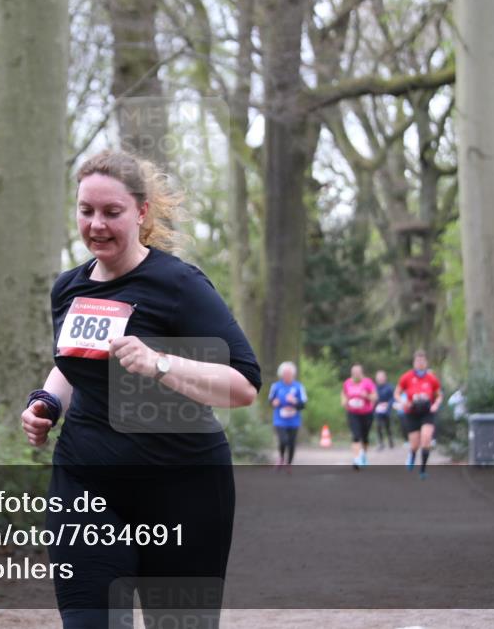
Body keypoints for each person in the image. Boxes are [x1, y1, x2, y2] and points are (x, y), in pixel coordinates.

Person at [20, 149, 262, 628]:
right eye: (86, 211)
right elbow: (71, 364)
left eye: (112, 212)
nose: (97, 225)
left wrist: (160, 363)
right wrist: (46, 402)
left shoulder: (178, 285)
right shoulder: (68, 288)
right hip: (87, 482)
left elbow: (244, 385)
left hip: (182, 487)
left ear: (141, 212)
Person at [395, 350, 443, 480]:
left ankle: (422, 469)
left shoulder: (431, 378)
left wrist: (436, 405)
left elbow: (439, 395)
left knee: (426, 438)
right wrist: (403, 402)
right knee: (415, 444)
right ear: (414, 363)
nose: (420, 364)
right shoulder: (407, 377)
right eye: (418, 361)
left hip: (427, 413)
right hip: (412, 412)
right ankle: (412, 454)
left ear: (426, 362)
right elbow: (397, 393)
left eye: (422, 361)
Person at [268, 361, 307, 471]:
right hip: (280, 419)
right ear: (281, 374)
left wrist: (295, 401)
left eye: (289, 374)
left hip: (294, 419)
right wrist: (274, 403)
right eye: (285, 374)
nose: (287, 376)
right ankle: (281, 457)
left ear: (293, 375)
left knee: (292, 442)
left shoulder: (299, 387)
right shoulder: (276, 386)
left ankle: (289, 463)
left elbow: (303, 404)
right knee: (283, 440)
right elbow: (270, 401)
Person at [341, 364, 377, 469]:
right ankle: (356, 459)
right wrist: (344, 401)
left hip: (367, 413)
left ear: (362, 373)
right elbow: (344, 394)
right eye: (354, 372)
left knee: (365, 437)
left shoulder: (368, 382)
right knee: (356, 435)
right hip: (353, 412)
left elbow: (375, 397)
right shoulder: (347, 383)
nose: (356, 374)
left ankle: (363, 455)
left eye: (358, 372)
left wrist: (367, 396)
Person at [373, 370, 395, 450]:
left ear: (385, 378)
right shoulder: (374, 387)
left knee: (388, 426)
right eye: (378, 377)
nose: (380, 379)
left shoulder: (389, 387)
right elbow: (373, 398)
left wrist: (388, 404)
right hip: (378, 410)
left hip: (387, 410)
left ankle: (390, 440)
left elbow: (393, 398)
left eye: (381, 377)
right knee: (378, 426)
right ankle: (381, 442)